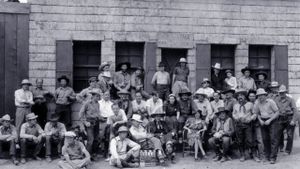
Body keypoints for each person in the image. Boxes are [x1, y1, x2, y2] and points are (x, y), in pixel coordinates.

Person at [253, 88, 279, 164]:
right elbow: (256, 113)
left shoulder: (270, 102)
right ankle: (267, 156)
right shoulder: (257, 103)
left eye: (262, 95)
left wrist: (270, 120)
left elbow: (277, 112)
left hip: (272, 120)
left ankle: (273, 158)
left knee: (273, 139)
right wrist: (260, 120)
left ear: (265, 95)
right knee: (265, 139)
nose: (260, 97)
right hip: (263, 121)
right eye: (259, 96)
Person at [232, 89, 258, 162]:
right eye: (238, 96)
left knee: (250, 140)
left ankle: (254, 155)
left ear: (245, 97)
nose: (240, 97)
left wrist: (250, 119)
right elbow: (233, 114)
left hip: (247, 124)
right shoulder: (235, 105)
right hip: (239, 125)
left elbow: (255, 113)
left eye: (242, 95)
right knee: (240, 141)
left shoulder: (250, 104)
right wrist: (236, 118)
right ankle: (242, 155)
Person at [275, 85, 298, 155]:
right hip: (280, 118)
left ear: (285, 92)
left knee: (290, 135)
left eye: (283, 92)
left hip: (289, 117)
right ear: (279, 93)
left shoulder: (290, 100)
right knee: (277, 134)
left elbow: (295, 110)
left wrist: (293, 120)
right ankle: (279, 147)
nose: (282, 94)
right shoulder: (276, 100)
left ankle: (288, 150)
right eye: (280, 92)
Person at [78, 89, 101, 159]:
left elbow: (97, 114)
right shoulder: (87, 103)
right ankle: (87, 156)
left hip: (96, 122)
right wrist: (85, 122)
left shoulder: (98, 104)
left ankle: (93, 154)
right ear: (93, 96)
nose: (98, 98)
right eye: (97, 96)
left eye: (99, 96)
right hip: (89, 123)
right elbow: (80, 114)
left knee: (96, 139)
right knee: (90, 140)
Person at [248, 90, 264, 161]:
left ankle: (261, 155)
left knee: (259, 139)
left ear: (256, 97)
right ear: (248, 97)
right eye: (250, 96)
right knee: (251, 139)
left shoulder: (258, 103)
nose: (252, 97)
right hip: (249, 124)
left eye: (253, 96)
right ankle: (253, 154)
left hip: (258, 123)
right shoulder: (247, 104)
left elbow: (260, 113)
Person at [98, 91, 114, 158]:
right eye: (105, 95)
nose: (107, 96)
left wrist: (109, 120)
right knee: (101, 136)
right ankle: (102, 149)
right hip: (101, 120)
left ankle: (107, 152)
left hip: (109, 120)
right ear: (103, 95)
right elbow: (97, 111)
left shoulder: (111, 104)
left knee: (108, 136)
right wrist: (100, 117)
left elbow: (112, 113)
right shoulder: (99, 103)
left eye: (108, 95)